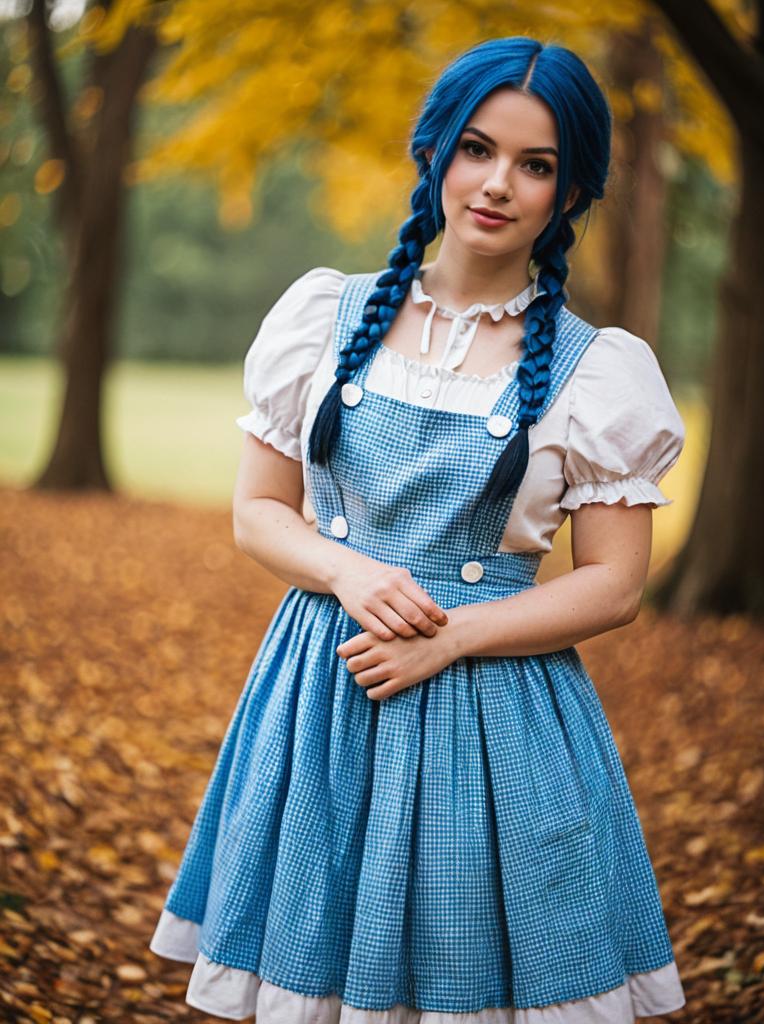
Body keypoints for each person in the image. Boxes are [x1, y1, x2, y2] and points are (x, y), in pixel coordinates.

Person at [149, 35, 688, 1024]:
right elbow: (257, 512)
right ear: (436, 151)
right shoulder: (325, 315)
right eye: (477, 149)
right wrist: (348, 572)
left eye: (537, 165)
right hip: (325, 690)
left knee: (466, 981)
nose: (497, 184)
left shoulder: (596, 369)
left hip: (495, 713)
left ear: (571, 194)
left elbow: (614, 585)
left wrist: (455, 635)